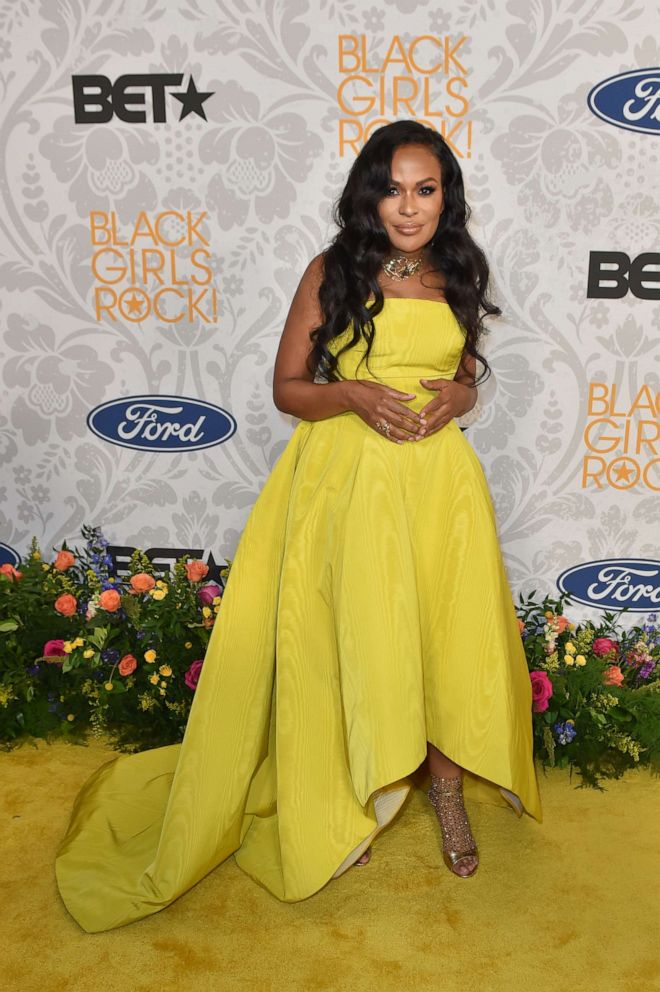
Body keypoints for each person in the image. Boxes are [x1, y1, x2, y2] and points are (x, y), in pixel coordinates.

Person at [55, 119, 542, 933]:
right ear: (369, 195)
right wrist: (352, 393)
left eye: (426, 189)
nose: (410, 206)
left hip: (439, 486)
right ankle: (343, 797)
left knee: (448, 640)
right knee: (353, 637)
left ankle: (448, 794)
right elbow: (289, 388)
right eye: (393, 188)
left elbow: (460, 376)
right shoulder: (334, 270)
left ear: (446, 196)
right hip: (348, 483)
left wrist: (462, 399)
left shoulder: (459, 268)